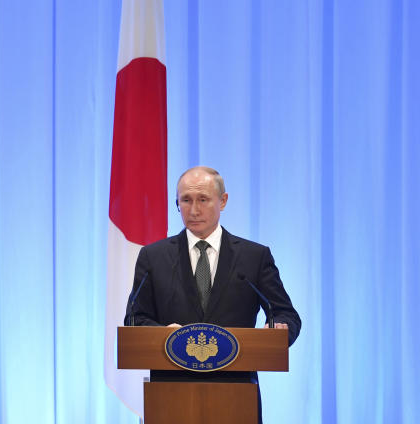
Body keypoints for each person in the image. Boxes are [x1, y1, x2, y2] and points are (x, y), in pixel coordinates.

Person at [123, 166, 301, 420]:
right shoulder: (153, 257)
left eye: (203, 200)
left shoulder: (254, 257)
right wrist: (163, 334)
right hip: (170, 393)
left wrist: (279, 329)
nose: (194, 210)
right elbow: (134, 319)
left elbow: (285, 313)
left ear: (223, 201)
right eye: (186, 200)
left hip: (235, 395)